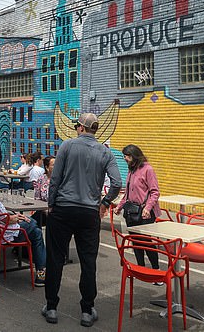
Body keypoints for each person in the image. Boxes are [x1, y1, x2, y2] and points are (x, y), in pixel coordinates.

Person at [42, 112, 122, 327]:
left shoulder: (67, 146)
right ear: (95, 129)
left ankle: (51, 307)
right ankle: (87, 310)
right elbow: (117, 183)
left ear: (81, 127)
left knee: (55, 257)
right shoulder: (105, 152)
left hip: (63, 209)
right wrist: (105, 203)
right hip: (89, 212)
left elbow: (55, 178)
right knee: (88, 262)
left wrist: (51, 204)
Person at [0, 163, 47, 287]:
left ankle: (40, 270)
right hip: (2, 235)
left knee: (34, 229)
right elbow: (5, 219)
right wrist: (17, 217)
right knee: (35, 227)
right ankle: (41, 272)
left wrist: (16, 217)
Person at [114, 144, 162, 276]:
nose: (125, 158)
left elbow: (155, 192)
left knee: (146, 242)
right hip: (131, 212)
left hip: (145, 213)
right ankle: (141, 269)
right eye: (124, 156)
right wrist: (119, 206)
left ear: (135, 156)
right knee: (135, 241)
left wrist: (148, 208)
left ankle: (155, 270)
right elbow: (127, 193)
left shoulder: (148, 169)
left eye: (127, 156)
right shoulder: (132, 170)